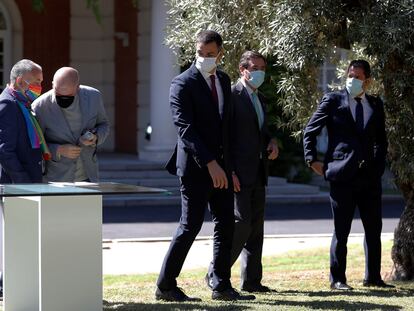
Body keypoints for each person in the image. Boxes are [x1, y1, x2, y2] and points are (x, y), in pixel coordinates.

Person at [156, 30, 254, 302]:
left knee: (226, 223)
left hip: (223, 169)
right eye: (201, 53)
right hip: (196, 169)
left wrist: (229, 168)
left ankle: (221, 285)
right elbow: (184, 128)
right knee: (190, 225)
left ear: (220, 53)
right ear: (195, 50)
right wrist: (210, 163)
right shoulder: (181, 83)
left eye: (211, 54)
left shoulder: (223, 79)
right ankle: (165, 285)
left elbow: (227, 128)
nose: (205, 58)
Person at [303, 59, 393, 290]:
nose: (353, 80)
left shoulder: (375, 103)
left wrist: (378, 164)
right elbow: (310, 130)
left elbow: (381, 140)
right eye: (350, 75)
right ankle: (338, 279)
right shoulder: (333, 101)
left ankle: (373, 277)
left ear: (368, 80)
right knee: (341, 230)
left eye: (358, 76)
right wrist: (312, 160)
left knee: (374, 228)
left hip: (369, 177)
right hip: (341, 175)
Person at [206, 51, 279, 293]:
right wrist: (231, 172)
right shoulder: (232, 96)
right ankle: (215, 274)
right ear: (242, 69)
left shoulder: (260, 98)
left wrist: (272, 142)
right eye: (254, 67)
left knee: (256, 227)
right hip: (238, 173)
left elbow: (261, 132)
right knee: (241, 224)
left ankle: (252, 281)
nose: (259, 72)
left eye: (262, 68)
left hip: (259, 170)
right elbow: (224, 138)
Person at [0, 59, 47, 298]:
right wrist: (22, 183)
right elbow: (4, 150)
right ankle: (8, 285)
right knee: (15, 236)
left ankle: (18, 283)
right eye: (37, 81)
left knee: (23, 235)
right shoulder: (8, 104)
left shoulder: (22, 102)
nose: (41, 85)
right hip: (16, 183)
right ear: (20, 81)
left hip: (28, 179)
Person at [32, 67, 109, 182]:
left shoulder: (94, 97)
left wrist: (95, 137)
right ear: (53, 84)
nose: (63, 98)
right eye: (57, 93)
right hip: (56, 179)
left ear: (78, 87)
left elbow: (104, 124)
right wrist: (58, 150)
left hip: (88, 176)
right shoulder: (40, 106)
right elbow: (35, 144)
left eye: (68, 95)